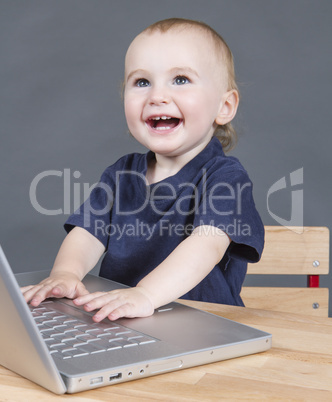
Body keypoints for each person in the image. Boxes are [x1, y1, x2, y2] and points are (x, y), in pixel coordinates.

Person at [22, 18, 264, 322]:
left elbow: (207, 244)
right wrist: (65, 273)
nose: (157, 96)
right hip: (124, 321)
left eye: (180, 79)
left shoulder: (224, 178)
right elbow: (88, 233)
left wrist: (146, 294)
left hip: (203, 323)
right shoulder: (121, 174)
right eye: (141, 82)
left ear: (224, 106)